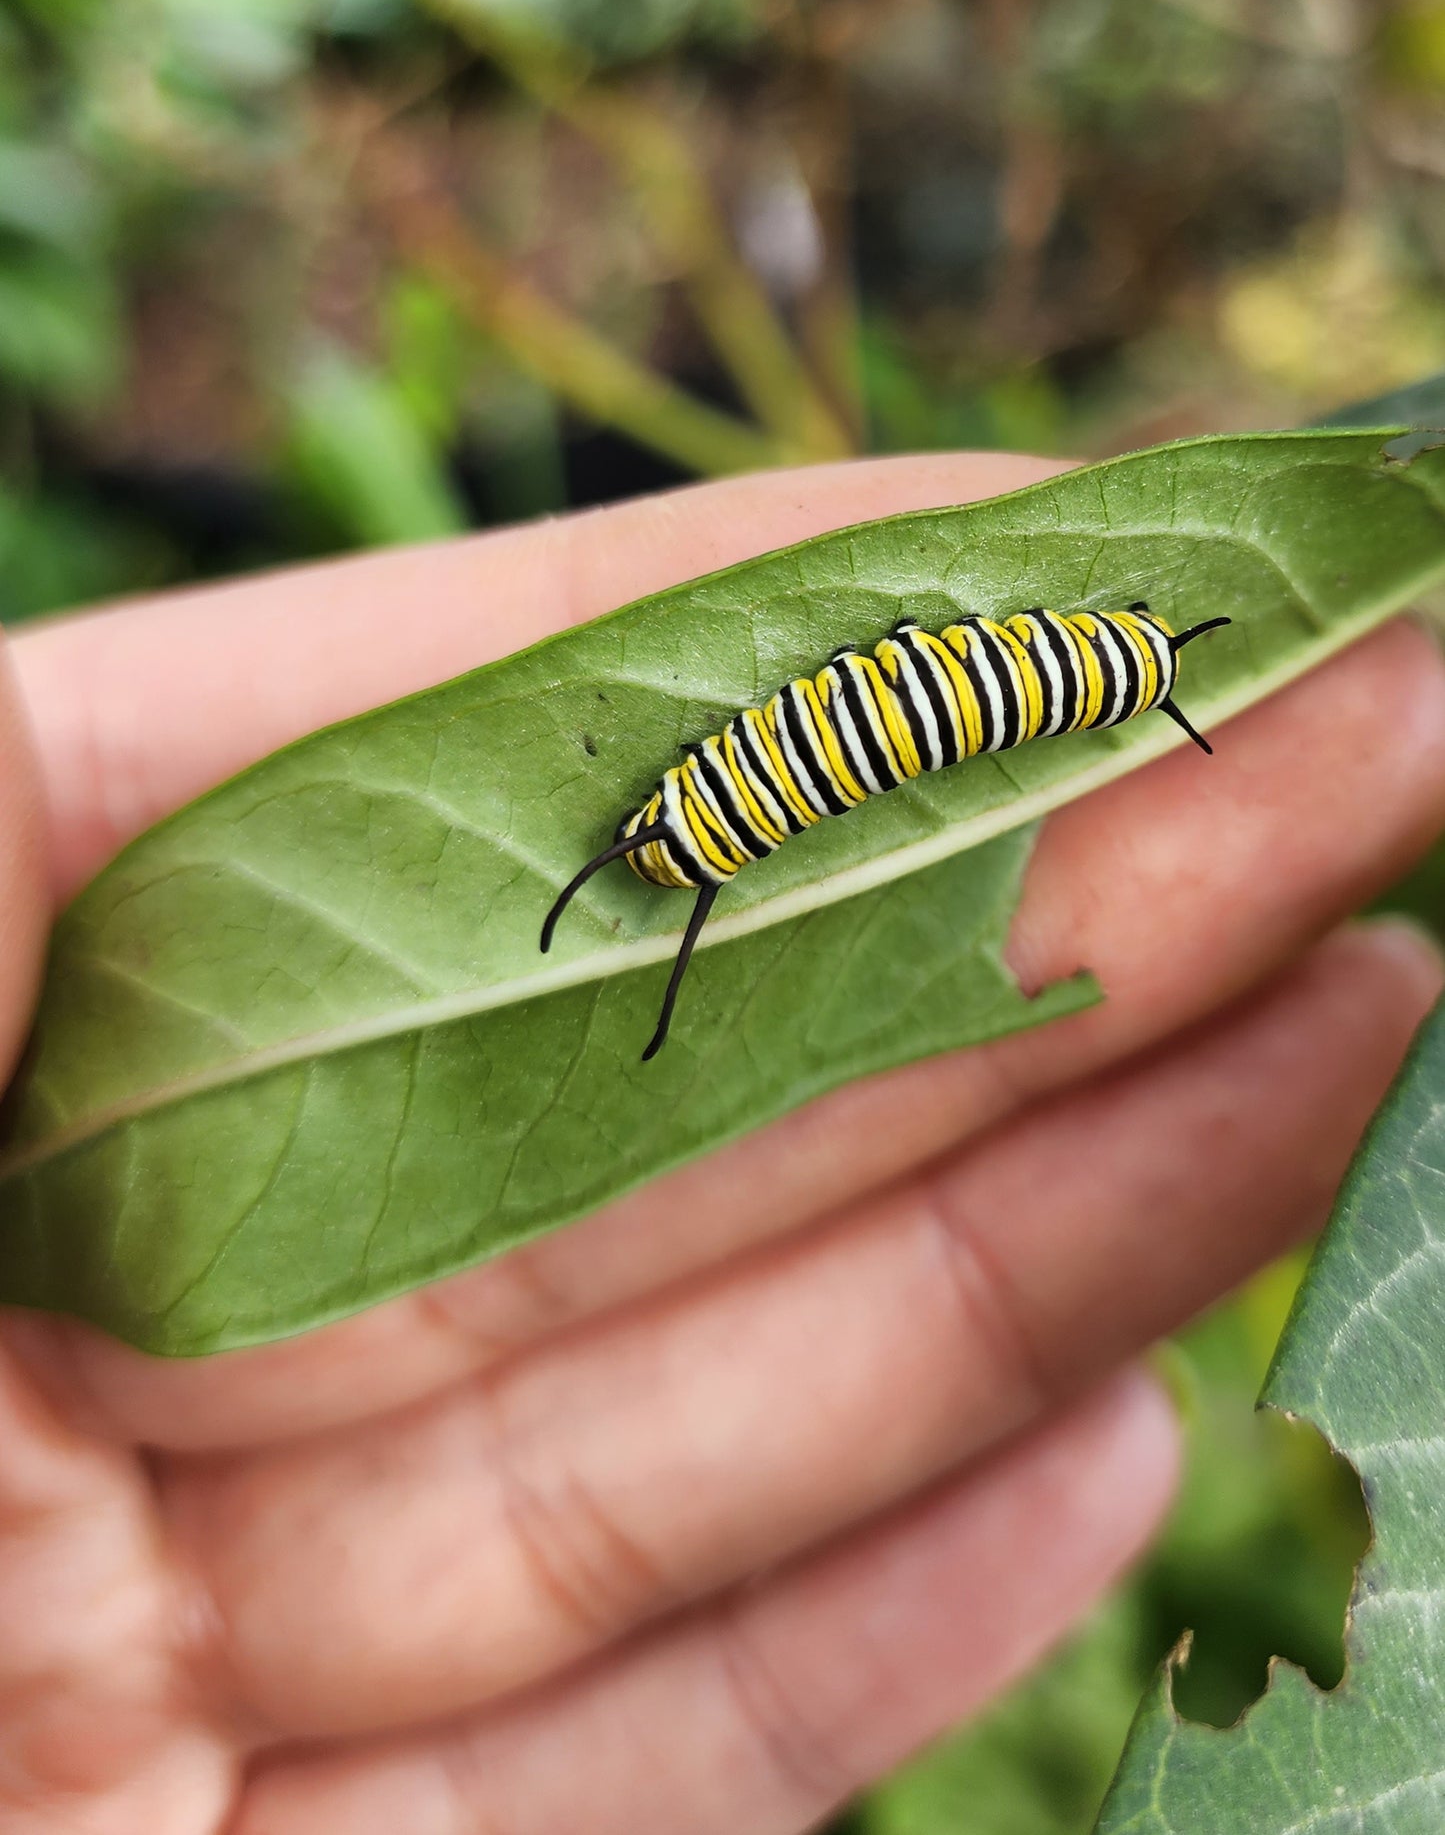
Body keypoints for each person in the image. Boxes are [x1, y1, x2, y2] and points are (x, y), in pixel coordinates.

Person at [0, 453, 1440, 1833]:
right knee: (882, 738)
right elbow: (887, 709)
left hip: (897, 729)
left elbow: (898, 706)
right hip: (852, 746)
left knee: (902, 733)